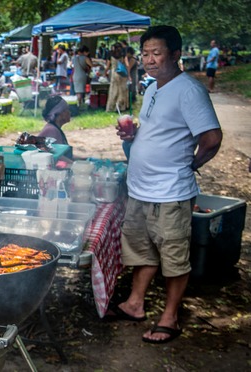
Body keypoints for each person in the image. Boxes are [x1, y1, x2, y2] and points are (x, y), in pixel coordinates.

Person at [112, 25, 223, 344]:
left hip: (170, 192)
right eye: (145, 53)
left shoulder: (189, 90)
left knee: (174, 257)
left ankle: (170, 318)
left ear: (175, 55)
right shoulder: (152, 87)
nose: (149, 60)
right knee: (142, 250)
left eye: (156, 53)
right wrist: (135, 136)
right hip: (141, 189)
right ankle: (135, 304)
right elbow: (160, 130)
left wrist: (191, 165)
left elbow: (212, 139)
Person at [105, 42, 129, 112]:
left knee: (113, 90)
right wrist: (128, 74)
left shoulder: (110, 54)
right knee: (122, 90)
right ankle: (121, 107)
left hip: (114, 73)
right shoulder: (123, 54)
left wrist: (105, 72)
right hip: (122, 73)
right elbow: (127, 64)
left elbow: (108, 66)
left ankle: (111, 107)